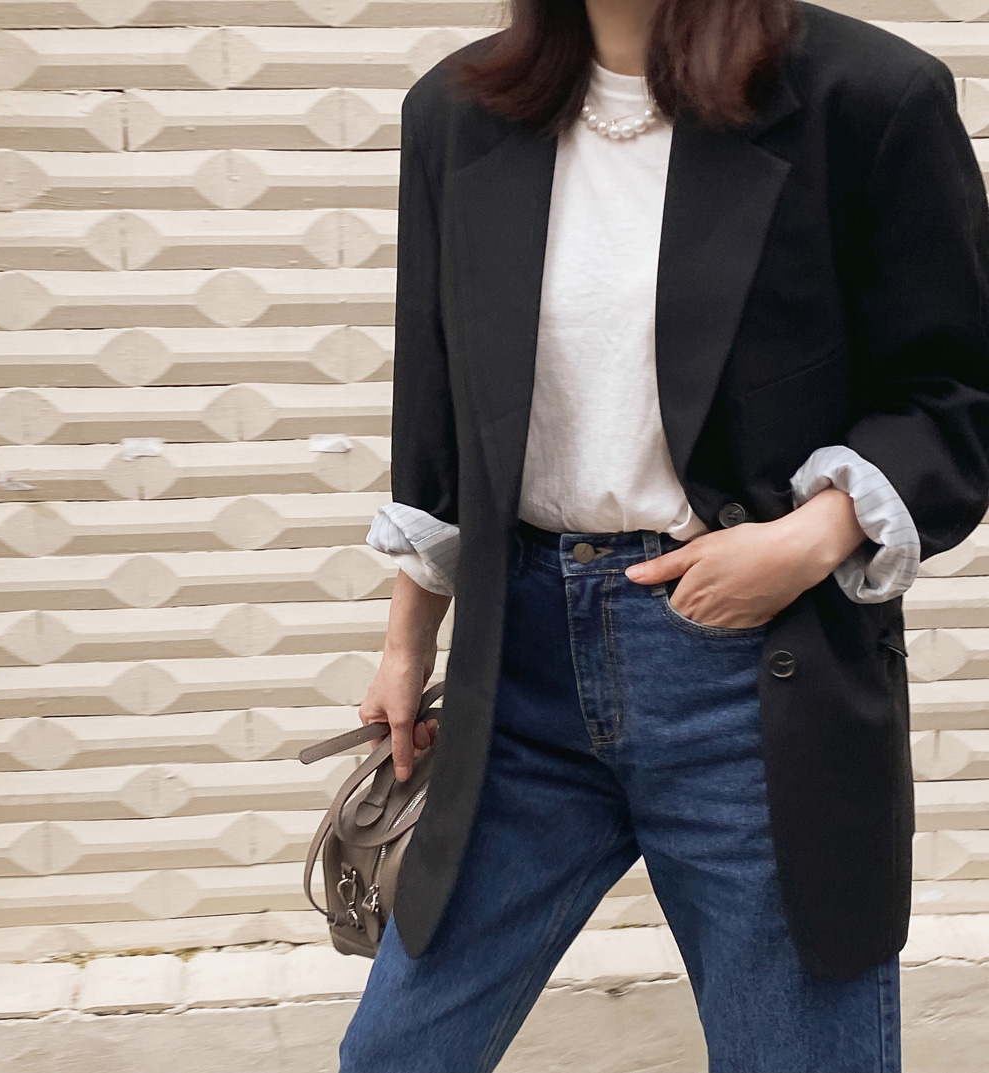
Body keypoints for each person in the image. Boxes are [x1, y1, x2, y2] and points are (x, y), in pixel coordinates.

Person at [338, 1, 989, 1070]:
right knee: (396, 1051)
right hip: (520, 677)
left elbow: (955, 389)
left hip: (751, 678)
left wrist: (806, 539)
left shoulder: (864, 97)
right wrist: (407, 641)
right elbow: (439, 408)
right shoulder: (458, 113)